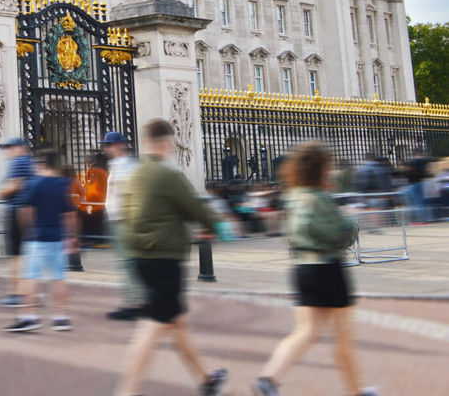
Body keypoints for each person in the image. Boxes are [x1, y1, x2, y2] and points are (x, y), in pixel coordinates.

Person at [253, 142, 378, 396]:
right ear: (321, 168)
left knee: (305, 332)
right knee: (343, 337)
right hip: (328, 268)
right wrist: (351, 223)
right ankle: (355, 391)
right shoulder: (319, 198)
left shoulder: (292, 197)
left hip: (302, 268)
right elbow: (341, 234)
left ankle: (269, 378)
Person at [113, 119, 226, 396]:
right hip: (164, 259)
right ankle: (127, 391)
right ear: (165, 143)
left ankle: (206, 380)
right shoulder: (168, 175)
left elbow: (125, 214)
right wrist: (213, 226)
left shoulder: (135, 175)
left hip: (141, 257)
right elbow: (195, 208)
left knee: (177, 322)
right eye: (172, 144)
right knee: (152, 326)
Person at [6, 150, 77, 333]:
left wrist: (27, 230)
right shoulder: (63, 184)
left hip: (37, 237)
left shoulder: (34, 183)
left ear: (43, 163)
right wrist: (71, 236)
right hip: (57, 237)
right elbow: (70, 214)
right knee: (59, 277)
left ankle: (29, 316)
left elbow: (25, 210)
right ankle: (60, 317)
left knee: (30, 276)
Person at [101, 130, 143, 321]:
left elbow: (130, 194)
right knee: (128, 261)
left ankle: (134, 303)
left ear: (120, 145)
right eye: (106, 145)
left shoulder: (127, 165)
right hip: (118, 219)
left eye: (109, 145)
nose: (106, 148)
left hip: (125, 220)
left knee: (128, 261)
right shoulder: (117, 164)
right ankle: (138, 301)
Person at [0, 137, 33, 307]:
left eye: (11, 147)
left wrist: (1, 192)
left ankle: (17, 293)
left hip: (17, 210)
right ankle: (28, 291)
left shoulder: (19, 162)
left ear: (21, 148)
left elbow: (15, 185)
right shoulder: (29, 162)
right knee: (23, 254)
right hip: (25, 210)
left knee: (17, 255)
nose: (9, 151)